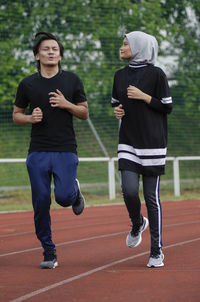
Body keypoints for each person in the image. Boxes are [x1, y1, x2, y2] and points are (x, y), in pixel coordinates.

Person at [13, 32, 89, 269]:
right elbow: (16, 115)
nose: (51, 52)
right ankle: (48, 251)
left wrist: (67, 104)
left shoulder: (72, 80)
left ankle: (74, 192)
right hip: (38, 150)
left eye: (55, 49)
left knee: (63, 198)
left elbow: (84, 113)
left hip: (65, 148)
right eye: (46, 49)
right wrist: (29, 118)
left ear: (60, 54)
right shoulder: (27, 84)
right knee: (41, 201)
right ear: (37, 55)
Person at [111, 31, 172, 267]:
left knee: (151, 197)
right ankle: (137, 223)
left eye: (126, 43)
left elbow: (167, 106)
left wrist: (145, 97)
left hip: (153, 144)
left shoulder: (157, 74)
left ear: (139, 47)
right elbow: (117, 105)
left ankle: (156, 250)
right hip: (128, 141)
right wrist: (117, 112)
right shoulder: (119, 75)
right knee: (127, 190)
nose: (122, 47)